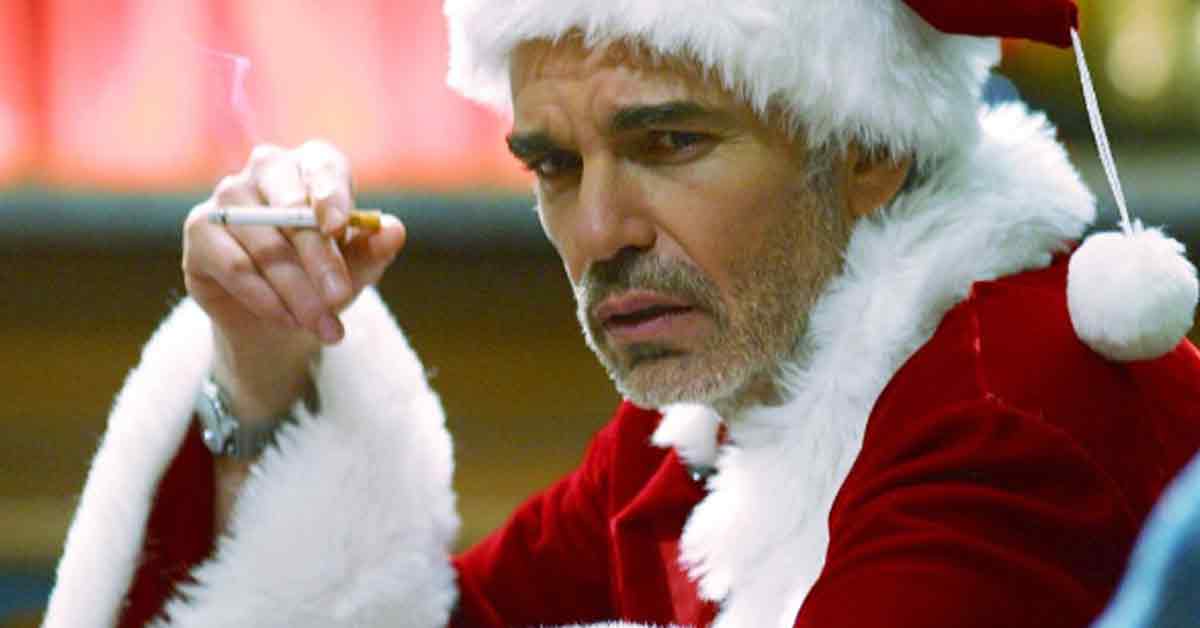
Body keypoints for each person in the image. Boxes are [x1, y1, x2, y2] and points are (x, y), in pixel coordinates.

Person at [39, 1, 1200, 627]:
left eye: (670, 142)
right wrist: (264, 361)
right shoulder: (706, 417)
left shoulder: (1005, 420)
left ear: (866, 150)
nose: (598, 231)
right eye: (553, 165)